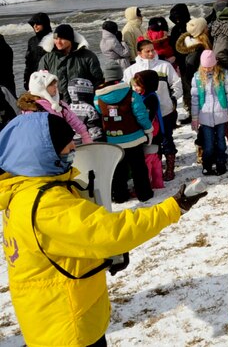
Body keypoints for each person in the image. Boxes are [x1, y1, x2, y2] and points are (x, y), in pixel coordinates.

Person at [0, 112, 206, 347]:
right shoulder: (48, 205)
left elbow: (65, 245)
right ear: (42, 154)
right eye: (66, 147)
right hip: (68, 328)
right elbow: (113, 232)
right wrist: (172, 208)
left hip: (54, 317)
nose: (73, 150)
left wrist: (102, 258)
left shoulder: (25, 191)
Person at [123, 39, 182, 182]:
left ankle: (170, 167)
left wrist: (173, 99)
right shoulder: (130, 71)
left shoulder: (165, 66)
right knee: (151, 141)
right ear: (139, 53)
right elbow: (126, 91)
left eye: (152, 50)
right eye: (147, 51)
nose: (151, 53)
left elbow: (177, 83)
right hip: (144, 115)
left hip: (165, 110)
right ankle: (156, 166)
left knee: (167, 138)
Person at [95, 75, 155, 202]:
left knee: (118, 170)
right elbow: (141, 115)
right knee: (138, 168)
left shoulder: (98, 97)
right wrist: (148, 129)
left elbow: (99, 111)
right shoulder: (131, 94)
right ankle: (144, 194)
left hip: (113, 140)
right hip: (134, 138)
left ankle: (119, 196)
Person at [191, 50, 228, 176]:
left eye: (210, 66)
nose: (207, 69)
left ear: (215, 64)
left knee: (221, 142)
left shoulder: (223, 75)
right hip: (205, 116)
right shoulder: (197, 77)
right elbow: (195, 99)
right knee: (209, 143)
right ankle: (207, 164)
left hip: (221, 115)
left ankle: (221, 162)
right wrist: (194, 117)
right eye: (205, 67)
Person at [18, 70, 92, 145]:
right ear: (41, 88)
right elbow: (33, 134)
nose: (55, 86)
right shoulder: (32, 109)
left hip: (63, 143)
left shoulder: (60, 104)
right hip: (46, 145)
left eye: (55, 84)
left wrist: (85, 136)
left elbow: (74, 120)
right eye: (51, 85)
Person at [37, 24, 104, 105]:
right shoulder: (47, 58)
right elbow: (40, 83)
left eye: (62, 39)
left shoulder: (87, 57)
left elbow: (98, 81)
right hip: (57, 105)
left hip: (83, 104)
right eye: (56, 38)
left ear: (70, 39)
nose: (58, 42)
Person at [131, 70, 167, 190]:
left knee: (148, 160)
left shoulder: (149, 99)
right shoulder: (150, 96)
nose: (135, 88)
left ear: (147, 85)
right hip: (155, 132)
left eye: (138, 86)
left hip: (151, 133)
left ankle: (147, 185)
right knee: (155, 159)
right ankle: (158, 182)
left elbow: (147, 118)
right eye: (134, 85)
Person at [175, 17, 211, 130]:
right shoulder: (198, 48)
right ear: (201, 31)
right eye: (205, 27)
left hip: (189, 81)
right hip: (197, 81)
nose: (208, 28)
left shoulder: (188, 44)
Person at [24, 13, 53, 91]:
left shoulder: (53, 39)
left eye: (38, 24)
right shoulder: (32, 41)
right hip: (35, 77)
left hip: (50, 77)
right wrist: (26, 79)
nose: (35, 26)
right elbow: (29, 62)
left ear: (45, 24)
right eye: (33, 24)